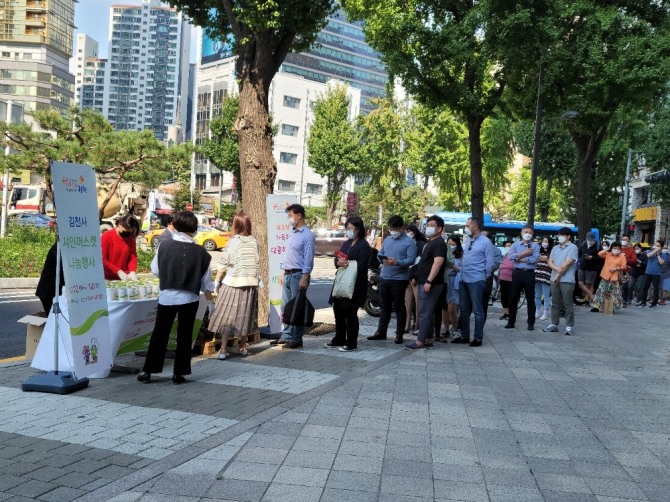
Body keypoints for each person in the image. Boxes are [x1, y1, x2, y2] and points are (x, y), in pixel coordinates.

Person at [137, 211, 215, 384]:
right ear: (194, 228)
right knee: (184, 335)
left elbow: (155, 270)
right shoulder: (201, 253)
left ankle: (148, 370)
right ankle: (179, 373)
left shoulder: (164, 246)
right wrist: (210, 302)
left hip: (167, 297)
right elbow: (205, 282)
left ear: (176, 225)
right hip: (189, 298)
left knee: (160, 334)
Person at [208, 211, 259, 360]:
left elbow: (224, 262)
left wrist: (217, 280)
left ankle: (223, 349)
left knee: (227, 316)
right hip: (250, 284)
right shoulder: (254, 241)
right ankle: (243, 346)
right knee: (245, 314)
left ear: (236, 225)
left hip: (233, 283)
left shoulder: (234, 241)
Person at [368, 215, 417, 344]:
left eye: (395, 228)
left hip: (399, 279)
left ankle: (399, 333)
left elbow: (411, 260)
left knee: (399, 307)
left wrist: (397, 262)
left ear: (402, 228)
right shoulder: (388, 239)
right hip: (384, 277)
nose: (392, 231)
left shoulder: (409, 242)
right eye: (390, 228)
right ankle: (381, 331)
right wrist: (382, 258)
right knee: (385, 306)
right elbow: (380, 253)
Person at [272, 204, 315, 349]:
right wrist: (283, 272)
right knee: (286, 306)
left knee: (297, 307)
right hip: (288, 273)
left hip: (299, 274)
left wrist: (305, 276)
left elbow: (308, 257)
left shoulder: (307, 235)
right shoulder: (293, 233)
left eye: (290, 215)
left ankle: (297, 338)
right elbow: (288, 255)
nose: (289, 218)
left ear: (299, 215)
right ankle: (287, 334)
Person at [325, 216, 371, 351]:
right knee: (338, 311)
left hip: (355, 285)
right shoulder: (346, 243)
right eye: (347, 228)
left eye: (350, 228)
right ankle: (339, 338)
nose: (348, 231)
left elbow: (362, 266)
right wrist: (338, 262)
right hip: (341, 283)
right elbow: (336, 260)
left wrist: (348, 263)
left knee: (350, 314)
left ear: (358, 229)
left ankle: (351, 342)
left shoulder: (363, 245)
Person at [453, 216, 496, 347]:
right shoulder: (468, 240)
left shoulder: (485, 242)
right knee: (464, 310)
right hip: (464, 278)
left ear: (475, 226)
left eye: (467, 225)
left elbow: (490, 262)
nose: (466, 228)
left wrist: (483, 275)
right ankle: (464, 335)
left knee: (478, 310)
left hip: (476, 280)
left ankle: (478, 338)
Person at [406, 215, 447, 350]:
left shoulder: (439, 243)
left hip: (432, 283)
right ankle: (428, 339)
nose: (428, 228)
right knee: (427, 311)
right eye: (427, 225)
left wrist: (429, 280)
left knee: (424, 312)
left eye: (432, 225)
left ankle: (420, 341)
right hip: (424, 281)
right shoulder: (430, 242)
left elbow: (438, 262)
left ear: (439, 228)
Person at [543, 227, 579, 335]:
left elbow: (567, 264)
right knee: (555, 303)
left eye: (562, 235)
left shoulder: (573, 247)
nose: (560, 237)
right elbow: (550, 262)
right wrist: (556, 269)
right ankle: (554, 324)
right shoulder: (555, 248)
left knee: (568, 304)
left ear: (568, 237)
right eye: (559, 235)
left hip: (567, 280)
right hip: (554, 278)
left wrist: (558, 275)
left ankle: (569, 326)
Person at [505, 226, 540, 331]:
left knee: (530, 298)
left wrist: (519, 257)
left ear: (532, 234)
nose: (527, 234)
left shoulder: (535, 246)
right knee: (513, 297)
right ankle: (511, 321)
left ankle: (531, 323)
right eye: (526, 232)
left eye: (530, 232)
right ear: (521, 232)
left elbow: (534, 260)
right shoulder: (515, 245)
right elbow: (511, 257)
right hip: (517, 273)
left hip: (529, 274)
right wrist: (525, 253)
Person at [590, 241, 628, 313]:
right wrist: (608, 249)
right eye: (614, 248)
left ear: (620, 249)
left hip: (614, 277)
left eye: (617, 248)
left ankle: (611, 307)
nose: (615, 249)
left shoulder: (622, 256)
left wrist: (616, 268)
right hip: (605, 276)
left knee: (613, 293)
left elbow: (624, 266)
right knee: (601, 292)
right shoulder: (608, 254)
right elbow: (600, 253)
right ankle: (596, 307)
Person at [101, 214, 140, 281]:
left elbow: (133, 257)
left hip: (125, 278)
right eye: (125, 231)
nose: (127, 233)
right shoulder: (106, 236)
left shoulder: (130, 238)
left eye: (129, 231)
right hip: (107, 278)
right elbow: (103, 259)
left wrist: (132, 271)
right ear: (120, 224)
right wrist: (118, 271)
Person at [404, 225, 426, 335]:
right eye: (406, 231)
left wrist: (415, 276)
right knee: (407, 303)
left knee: (418, 304)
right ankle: (406, 325)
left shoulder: (421, 245)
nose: (408, 233)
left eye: (410, 231)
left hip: (416, 278)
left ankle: (418, 326)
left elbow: (420, 263)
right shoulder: (407, 243)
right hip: (407, 277)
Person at [443, 235, 464, 339]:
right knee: (444, 307)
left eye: (453, 244)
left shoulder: (461, 254)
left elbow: (463, 268)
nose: (451, 246)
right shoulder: (444, 252)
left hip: (455, 281)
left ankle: (455, 329)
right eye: (449, 244)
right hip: (445, 281)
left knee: (452, 307)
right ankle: (446, 329)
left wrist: (457, 268)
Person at [35, 241, 65, 315]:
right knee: (56, 320)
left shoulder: (64, 246)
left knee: (60, 320)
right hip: (49, 291)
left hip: (56, 290)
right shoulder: (59, 246)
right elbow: (64, 267)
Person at [637, 240, 666, 308]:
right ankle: (643, 302)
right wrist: (655, 251)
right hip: (648, 272)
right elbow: (648, 256)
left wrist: (658, 255)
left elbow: (661, 262)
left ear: (661, 247)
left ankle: (654, 303)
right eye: (655, 245)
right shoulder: (650, 251)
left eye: (658, 246)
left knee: (655, 289)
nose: (656, 246)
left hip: (657, 274)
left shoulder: (663, 254)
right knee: (645, 288)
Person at [481, 230, 502, 319]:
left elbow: (495, 265)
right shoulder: (473, 246)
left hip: (486, 278)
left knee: (483, 303)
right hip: (471, 277)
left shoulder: (495, 250)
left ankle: (480, 327)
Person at [577, 231, 601, 303]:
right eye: (588, 239)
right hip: (582, 267)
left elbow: (600, 257)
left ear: (594, 238)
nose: (589, 240)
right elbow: (579, 254)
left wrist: (592, 257)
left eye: (591, 239)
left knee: (589, 284)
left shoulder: (598, 245)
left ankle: (589, 299)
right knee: (580, 283)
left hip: (592, 268)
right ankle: (591, 296)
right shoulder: (583, 244)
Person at [534, 237, 553, 321]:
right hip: (537, 274)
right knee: (537, 295)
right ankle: (537, 311)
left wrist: (547, 259)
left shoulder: (552, 252)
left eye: (546, 241)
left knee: (546, 296)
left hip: (546, 275)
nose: (544, 243)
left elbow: (553, 263)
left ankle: (545, 313)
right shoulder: (538, 251)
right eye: (543, 241)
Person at [498, 240, 515, 321]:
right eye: (506, 245)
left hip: (511, 280)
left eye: (509, 245)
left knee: (510, 297)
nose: (508, 247)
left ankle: (511, 313)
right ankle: (505, 313)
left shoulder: (514, 256)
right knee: (504, 297)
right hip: (502, 279)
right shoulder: (504, 256)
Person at [619, 235, 637, 307]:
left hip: (626, 270)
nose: (624, 241)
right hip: (617, 270)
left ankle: (624, 301)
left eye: (626, 240)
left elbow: (634, 260)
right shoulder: (618, 248)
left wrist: (625, 259)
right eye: (623, 239)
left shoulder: (631, 250)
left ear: (629, 241)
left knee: (624, 286)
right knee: (617, 285)